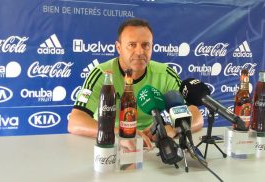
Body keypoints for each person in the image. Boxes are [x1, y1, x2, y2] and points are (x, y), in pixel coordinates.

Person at [68, 18, 204, 149]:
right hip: (110, 142)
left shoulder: (165, 74)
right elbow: (75, 122)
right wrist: (121, 134)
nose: (139, 52)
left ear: (152, 47)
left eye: (145, 45)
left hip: (152, 145)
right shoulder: (103, 74)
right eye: (132, 45)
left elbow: (196, 116)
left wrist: (174, 129)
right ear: (119, 47)